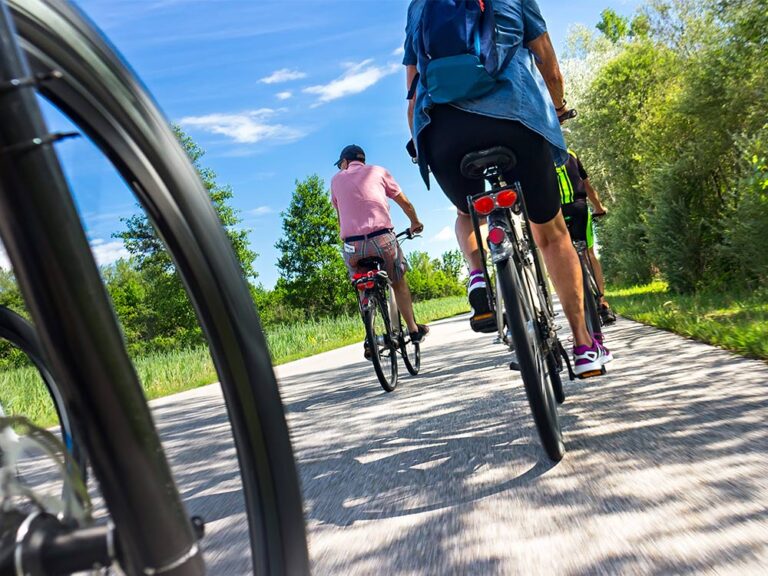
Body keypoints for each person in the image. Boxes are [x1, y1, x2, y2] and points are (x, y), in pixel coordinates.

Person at [403, 0, 612, 376]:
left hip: (442, 130)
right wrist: (557, 108)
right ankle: (583, 345)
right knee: (550, 233)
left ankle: (478, 273)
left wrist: (421, 142)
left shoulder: (420, 5)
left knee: (468, 212)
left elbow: (413, 87)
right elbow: (547, 59)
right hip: (516, 118)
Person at [331, 145, 429, 354]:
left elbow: (341, 217)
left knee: (360, 284)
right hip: (382, 239)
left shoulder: (336, 180)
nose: (341, 168)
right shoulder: (379, 172)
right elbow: (406, 203)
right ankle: (413, 329)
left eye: (341, 164)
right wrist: (415, 222)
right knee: (398, 281)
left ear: (346, 162)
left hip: (352, 245)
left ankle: (370, 335)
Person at [556, 148, 617, 325]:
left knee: (562, 258)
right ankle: (602, 303)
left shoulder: (540, 155)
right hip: (578, 207)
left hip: (556, 213)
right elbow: (587, 185)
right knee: (589, 254)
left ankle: (575, 309)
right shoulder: (570, 154)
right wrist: (599, 207)